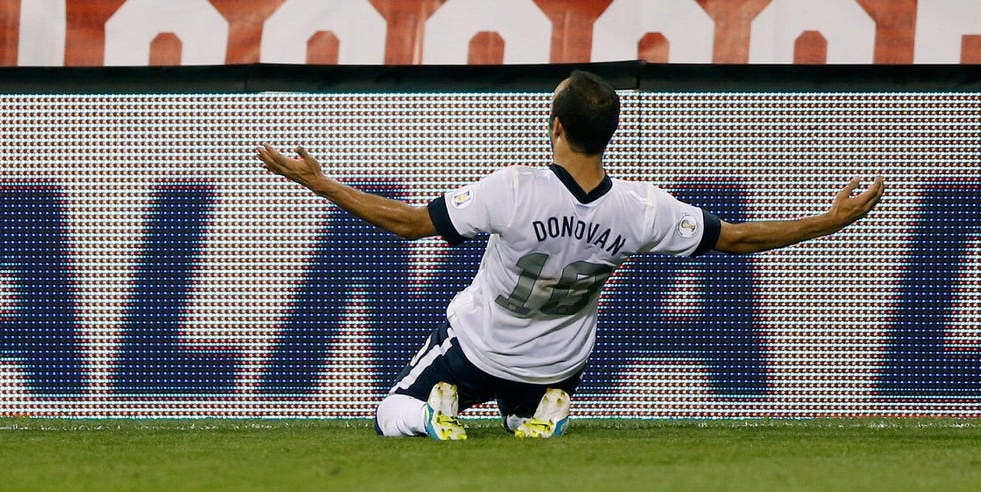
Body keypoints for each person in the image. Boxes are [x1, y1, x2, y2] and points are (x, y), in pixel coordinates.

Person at [255, 68, 886, 439]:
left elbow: (408, 224)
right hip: (561, 362)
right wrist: (828, 222)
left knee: (391, 409)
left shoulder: (515, 189)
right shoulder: (643, 210)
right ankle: (538, 411)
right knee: (519, 416)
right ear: (608, 134)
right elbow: (739, 238)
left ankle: (434, 410)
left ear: (555, 126)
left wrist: (321, 183)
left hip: (481, 348)